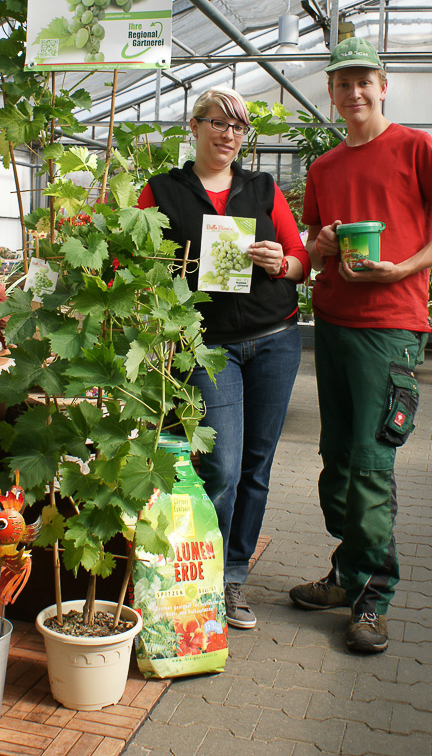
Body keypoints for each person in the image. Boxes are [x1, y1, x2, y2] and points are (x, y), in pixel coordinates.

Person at [289, 37, 432, 653]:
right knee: (336, 466)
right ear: (334, 93)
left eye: (364, 80)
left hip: (390, 326)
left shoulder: (416, 148)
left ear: (383, 84)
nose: (355, 92)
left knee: (370, 464)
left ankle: (375, 595)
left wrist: (404, 269)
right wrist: (321, 246)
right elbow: (315, 242)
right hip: (334, 323)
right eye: (343, 83)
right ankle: (348, 575)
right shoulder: (324, 167)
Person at [138, 86, 311, 629]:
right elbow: (130, 256)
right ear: (195, 125)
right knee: (223, 465)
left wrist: (279, 262)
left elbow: (302, 261)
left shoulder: (262, 189)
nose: (229, 134)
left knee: (257, 465)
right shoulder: (162, 190)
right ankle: (201, 579)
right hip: (208, 346)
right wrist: (163, 273)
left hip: (276, 337)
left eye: (238, 128)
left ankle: (233, 579)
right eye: (219, 122)